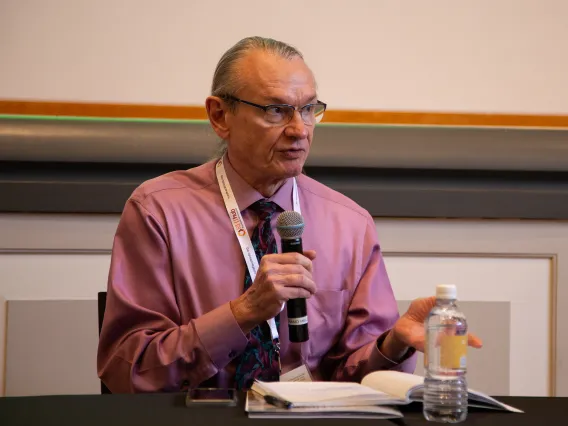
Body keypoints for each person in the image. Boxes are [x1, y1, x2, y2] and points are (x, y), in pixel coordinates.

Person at [97, 36, 482, 393]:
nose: (299, 130)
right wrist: (243, 313)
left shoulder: (349, 223)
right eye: (276, 110)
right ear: (220, 116)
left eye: (309, 109)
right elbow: (125, 370)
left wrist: (393, 343)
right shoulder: (158, 210)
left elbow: (358, 384)